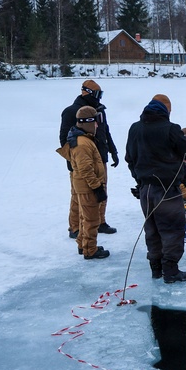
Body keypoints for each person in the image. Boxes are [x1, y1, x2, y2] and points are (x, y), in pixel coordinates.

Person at [125, 94, 186, 283]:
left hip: (145, 190)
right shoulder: (170, 129)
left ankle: (156, 268)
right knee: (171, 229)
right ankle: (170, 271)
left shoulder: (135, 128)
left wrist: (140, 181)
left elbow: (129, 158)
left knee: (152, 229)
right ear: (166, 109)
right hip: (167, 189)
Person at [59, 79, 118, 238]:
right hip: (81, 161)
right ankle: (75, 227)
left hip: (100, 157)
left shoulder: (99, 111)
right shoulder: (72, 111)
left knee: (102, 190)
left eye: (101, 94)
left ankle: (100, 222)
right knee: (80, 195)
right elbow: (64, 139)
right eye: (98, 94)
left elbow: (106, 131)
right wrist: (73, 161)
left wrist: (113, 151)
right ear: (87, 93)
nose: (99, 98)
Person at [57, 106, 109, 259]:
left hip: (85, 186)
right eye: (96, 121)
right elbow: (86, 169)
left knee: (84, 218)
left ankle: (83, 244)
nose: (97, 125)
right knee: (92, 219)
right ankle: (90, 249)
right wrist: (97, 186)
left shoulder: (82, 139)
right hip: (88, 188)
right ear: (88, 122)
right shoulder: (83, 143)